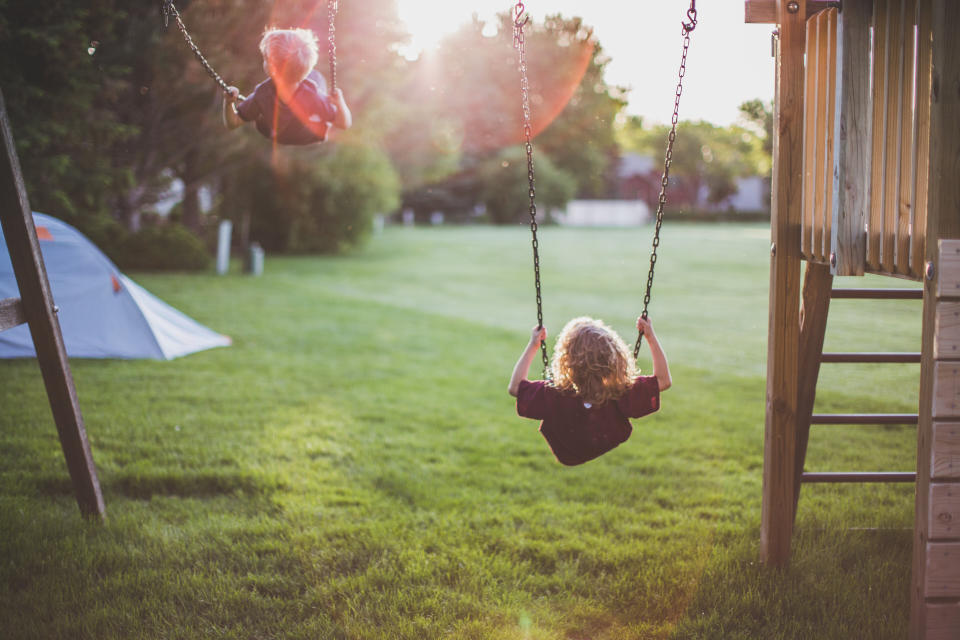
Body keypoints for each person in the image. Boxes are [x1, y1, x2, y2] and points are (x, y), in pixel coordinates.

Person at [508, 316, 672, 466]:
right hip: (606, 439)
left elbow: (515, 387)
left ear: (566, 360)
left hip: (565, 447)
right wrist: (650, 337)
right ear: (613, 358)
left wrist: (533, 345)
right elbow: (663, 380)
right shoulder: (619, 391)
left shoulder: (554, 394)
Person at [223, 28, 352, 145]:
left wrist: (229, 103)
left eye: (265, 58)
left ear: (271, 68)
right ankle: (312, 114)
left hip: (275, 133)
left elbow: (233, 123)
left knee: (314, 80)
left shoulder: (262, 94)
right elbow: (344, 124)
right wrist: (339, 103)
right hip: (307, 135)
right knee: (316, 78)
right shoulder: (312, 94)